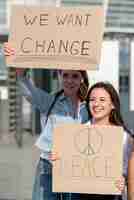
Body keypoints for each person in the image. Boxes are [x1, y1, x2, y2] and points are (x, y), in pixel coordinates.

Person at [4, 43, 89, 200]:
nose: (70, 81)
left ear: (82, 78)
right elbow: (28, 91)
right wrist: (20, 70)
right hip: (49, 168)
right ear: (59, 76)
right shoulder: (49, 101)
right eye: (65, 75)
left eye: (75, 76)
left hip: (77, 169)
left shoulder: (89, 108)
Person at [79, 81, 133, 200]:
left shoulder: (125, 137)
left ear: (112, 105)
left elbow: (129, 174)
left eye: (102, 100)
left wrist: (123, 180)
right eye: (92, 100)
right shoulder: (77, 134)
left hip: (112, 196)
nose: (96, 104)